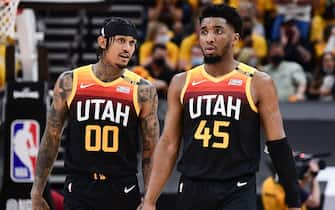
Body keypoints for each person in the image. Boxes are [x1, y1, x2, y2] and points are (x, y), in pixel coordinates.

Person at [140, 4, 301, 210]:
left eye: (218, 31)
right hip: (192, 186)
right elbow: (169, 143)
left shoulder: (257, 82)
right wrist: (150, 200)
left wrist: (294, 200)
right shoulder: (182, 82)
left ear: (235, 38)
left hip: (237, 188)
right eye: (204, 32)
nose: (209, 38)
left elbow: (278, 143)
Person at [30, 17, 159, 210]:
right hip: (80, 186)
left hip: (122, 186)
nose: (127, 48)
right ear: (102, 42)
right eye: (121, 41)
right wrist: (37, 191)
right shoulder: (70, 82)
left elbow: (151, 149)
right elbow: (51, 138)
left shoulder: (143, 90)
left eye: (132, 43)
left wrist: (149, 198)